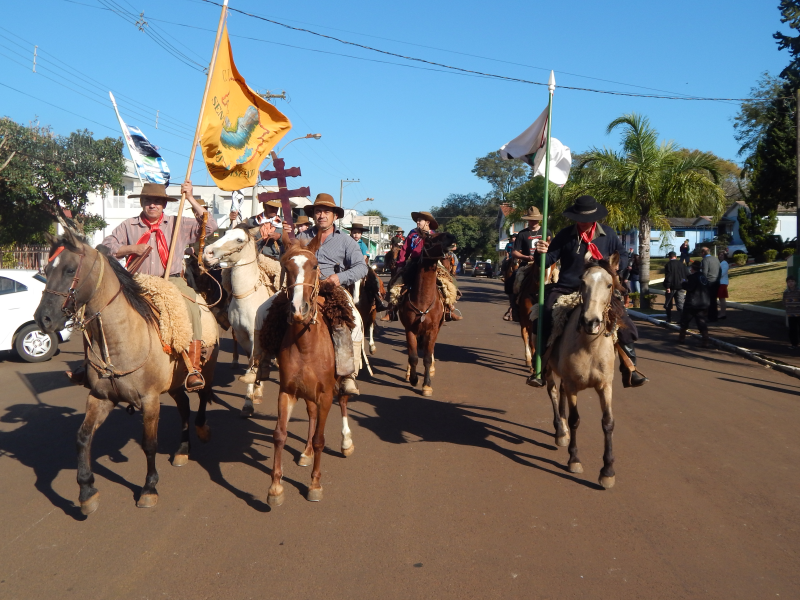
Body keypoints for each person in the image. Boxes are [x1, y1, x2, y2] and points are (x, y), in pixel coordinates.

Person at [101, 181, 218, 390]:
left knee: (192, 306)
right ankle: (95, 362)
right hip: (137, 280)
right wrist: (130, 248)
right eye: (148, 200)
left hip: (171, 279)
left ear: (164, 204)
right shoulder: (129, 225)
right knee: (103, 307)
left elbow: (210, 227)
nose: (152, 205)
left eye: (157, 201)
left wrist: (190, 198)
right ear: (142, 202)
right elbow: (106, 247)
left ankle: (193, 367)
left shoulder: (177, 222)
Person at [530, 195, 647, 389]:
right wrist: (540, 252)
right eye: (580, 218)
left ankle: (630, 368)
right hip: (568, 288)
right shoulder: (565, 235)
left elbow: (622, 254)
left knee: (623, 321)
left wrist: (618, 266)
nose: (583, 222)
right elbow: (549, 260)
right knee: (545, 314)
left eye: (587, 218)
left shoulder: (608, 234)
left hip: (599, 290)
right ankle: (540, 366)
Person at [297, 193, 370, 394]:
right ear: (313, 215)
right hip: (303, 288)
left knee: (354, 323)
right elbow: (286, 259)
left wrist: (340, 277)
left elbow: (361, 268)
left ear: (335, 216)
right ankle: (260, 363)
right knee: (268, 309)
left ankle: (348, 374)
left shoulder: (346, 241)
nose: (322, 215)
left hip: (333, 290)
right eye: (318, 211)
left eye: (326, 212)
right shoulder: (301, 237)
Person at [386, 210, 462, 321]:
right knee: (396, 283)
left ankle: (448, 309)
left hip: (432, 262)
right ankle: (392, 309)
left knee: (448, 281)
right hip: (414, 262)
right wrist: (400, 265)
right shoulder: (412, 234)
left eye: (419, 220)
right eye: (417, 220)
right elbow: (404, 250)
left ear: (427, 222)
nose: (417, 222)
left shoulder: (434, 235)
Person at [678, 261, 710, 347]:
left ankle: (681, 338)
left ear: (692, 268)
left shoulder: (693, 277)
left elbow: (690, 288)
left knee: (685, 320)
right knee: (701, 322)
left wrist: (683, 283)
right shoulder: (703, 277)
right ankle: (705, 340)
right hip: (703, 302)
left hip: (692, 303)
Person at [663, 251, 688, 323]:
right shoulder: (681, 264)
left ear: (669, 257)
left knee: (668, 302)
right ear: (676, 257)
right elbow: (687, 274)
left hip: (672, 286)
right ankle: (682, 319)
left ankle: (669, 318)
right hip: (681, 286)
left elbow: (668, 276)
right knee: (680, 302)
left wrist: (667, 286)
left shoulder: (668, 265)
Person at [701, 247, 721, 321]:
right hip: (716, 281)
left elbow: (704, 272)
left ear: (703, 253)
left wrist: (703, 282)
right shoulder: (716, 259)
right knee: (714, 300)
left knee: (709, 300)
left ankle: (710, 317)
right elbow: (720, 270)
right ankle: (714, 315)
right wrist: (718, 279)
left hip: (709, 282)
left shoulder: (705, 260)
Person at [784, 276, 800, 349]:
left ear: (795, 282)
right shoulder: (786, 292)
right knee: (792, 330)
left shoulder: (798, 291)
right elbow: (784, 302)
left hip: (799, 313)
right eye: (789, 282)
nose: (791, 283)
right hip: (791, 314)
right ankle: (794, 344)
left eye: (792, 281)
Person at [717, 251, 729, 319]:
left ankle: (723, 313)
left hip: (723, 283)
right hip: (720, 283)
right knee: (721, 298)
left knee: (722, 298)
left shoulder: (724, 263)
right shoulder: (720, 263)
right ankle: (722, 313)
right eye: (719, 255)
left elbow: (722, 273)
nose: (720, 256)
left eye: (722, 255)